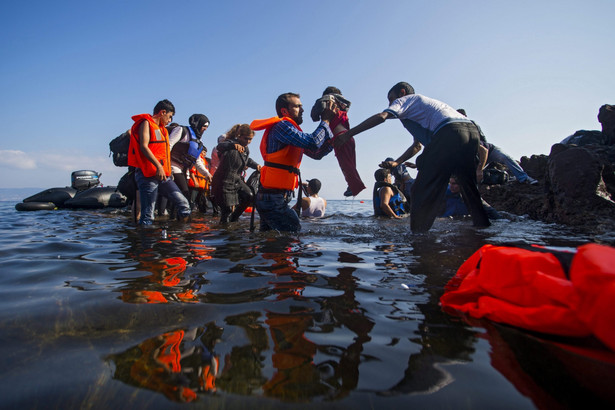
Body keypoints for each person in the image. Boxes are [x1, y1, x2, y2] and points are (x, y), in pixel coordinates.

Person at [336, 82, 490, 232]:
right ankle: (483, 230)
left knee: (420, 190)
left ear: (402, 92)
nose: (391, 103)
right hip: (470, 132)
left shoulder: (407, 100)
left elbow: (382, 116)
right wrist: (397, 163)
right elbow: (417, 146)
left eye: (391, 99)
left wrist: (348, 134)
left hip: (448, 131)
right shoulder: (422, 109)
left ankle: (418, 235)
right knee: (469, 188)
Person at [250, 92, 336, 232]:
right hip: (272, 198)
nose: (302, 110)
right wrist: (325, 121)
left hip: (275, 197)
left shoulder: (291, 133)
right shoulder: (282, 126)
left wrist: (334, 140)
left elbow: (316, 154)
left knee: (271, 241)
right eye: (298, 106)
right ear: (285, 110)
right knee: (292, 232)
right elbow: (313, 142)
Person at [127, 99, 191, 225]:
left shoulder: (162, 130)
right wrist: (158, 166)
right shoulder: (146, 123)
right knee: (148, 215)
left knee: (184, 205)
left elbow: (164, 153)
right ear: (162, 112)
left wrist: (167, 170)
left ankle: (182, 238)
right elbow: (144, 147)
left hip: (164, 175)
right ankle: (146, 242)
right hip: (148, 175)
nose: (170, 120)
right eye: (170, 116)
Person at [456, 109, 538, 185]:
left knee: (505, 158)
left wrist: (480, 168)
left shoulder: (472, 125)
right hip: (475, 158)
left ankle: (523, 177)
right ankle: (501, 177)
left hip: (489, 151)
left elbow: (484, 148)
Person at [317, 87, 366, 197]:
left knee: (347, 166)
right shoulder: (342, 110)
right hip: (348, 138)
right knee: (350, 165)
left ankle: (355, 187)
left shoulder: (330, 105)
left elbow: (316, 112)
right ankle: (351, 186)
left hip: (341, 138)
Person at [210, 124, 261, 223]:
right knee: (227, 210)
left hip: (237, 180)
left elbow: (247, 160)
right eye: (246, 139)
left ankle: (234, 219)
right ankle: (224, 230)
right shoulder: (230, 143)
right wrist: (232, 146)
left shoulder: (246, 149)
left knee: (249, 196)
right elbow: (220, 146)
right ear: (239, 136)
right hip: (224, 181)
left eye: (250, 139)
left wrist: (256, 165)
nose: (248, 142)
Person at [169, 114, 213, 204]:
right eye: (204, 126)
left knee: (180, 197)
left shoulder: (198, 142)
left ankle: (175, 217)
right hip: (172, 166)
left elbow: (196, 161)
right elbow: (168, 145)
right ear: (198, 123)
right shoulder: (182, 130)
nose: (205, 129)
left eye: (207, 127)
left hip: (184, 170)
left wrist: (207, 174)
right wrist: (165, 166)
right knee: (185, 194)